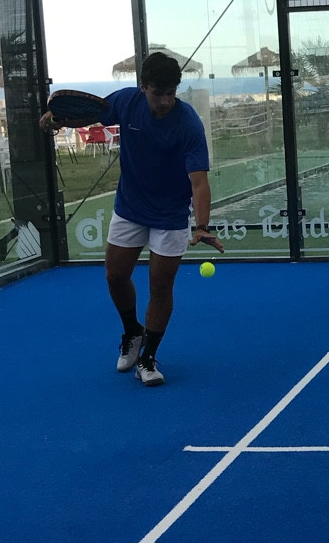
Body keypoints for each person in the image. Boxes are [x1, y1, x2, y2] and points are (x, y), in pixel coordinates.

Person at [39, 51, 223, 386]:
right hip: (130, 207)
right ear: (143, 86)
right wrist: (59, 119)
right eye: (158, 93)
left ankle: (148, 358)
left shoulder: (188, 123)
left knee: (160, 285)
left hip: (170, 214)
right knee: (115, 275)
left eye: (171, 93)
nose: (165, 101)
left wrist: (201, 225)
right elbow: (91, 114)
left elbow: (199, 181)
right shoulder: (126, 102)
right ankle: (132, 332)